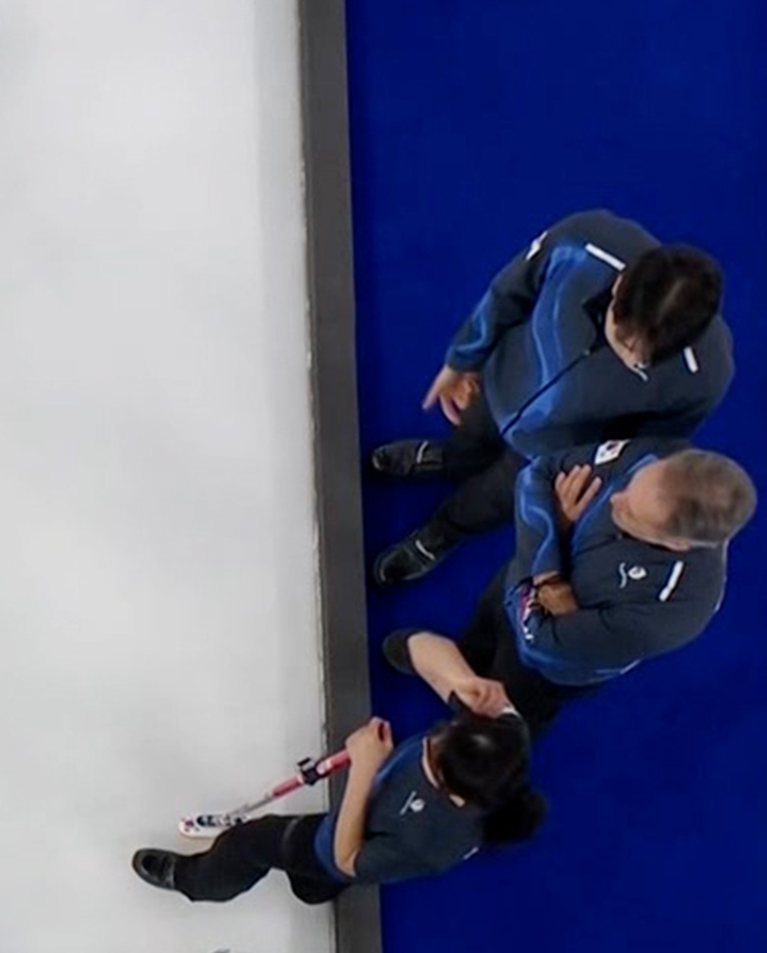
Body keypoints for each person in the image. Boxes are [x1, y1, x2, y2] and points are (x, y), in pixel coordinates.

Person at [368, 209, 732, 587]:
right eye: (621, 337)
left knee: (487, 503)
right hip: (500, 383)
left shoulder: (704, 378)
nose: (623, 356)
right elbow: (509, 291)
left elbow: (649, 443)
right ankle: (448, 457)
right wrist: (463, 358)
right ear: (620, 285)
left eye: (639, 360)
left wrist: (586, 477)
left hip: (550, 455)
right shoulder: (582, 243)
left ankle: (443, 531)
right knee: (468, 433)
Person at [385, 436, 756, 734]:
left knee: (497, 721)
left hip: (541, 671)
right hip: (513, 588)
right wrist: (550, 570)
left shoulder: (670, 613)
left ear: (676, 543)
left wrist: (544, 536)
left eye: (630, 512)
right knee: (481, 632)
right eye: (629, 484)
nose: (614, 498)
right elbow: (538, 473)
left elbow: (541, 643)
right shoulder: (663, 453)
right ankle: (457, 662)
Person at [131, 698, 544, 905]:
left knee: (251, 843)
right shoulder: (507, 744)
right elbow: (422, 649)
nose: (433, 738)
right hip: (375, 824)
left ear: (452, 792)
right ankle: (312, 887)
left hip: (335, 846)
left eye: (436, 750)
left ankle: (194, 880)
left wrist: (364, 769)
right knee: (315, 881)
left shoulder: (430, 843)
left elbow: (346, 858)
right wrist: (460, 676)